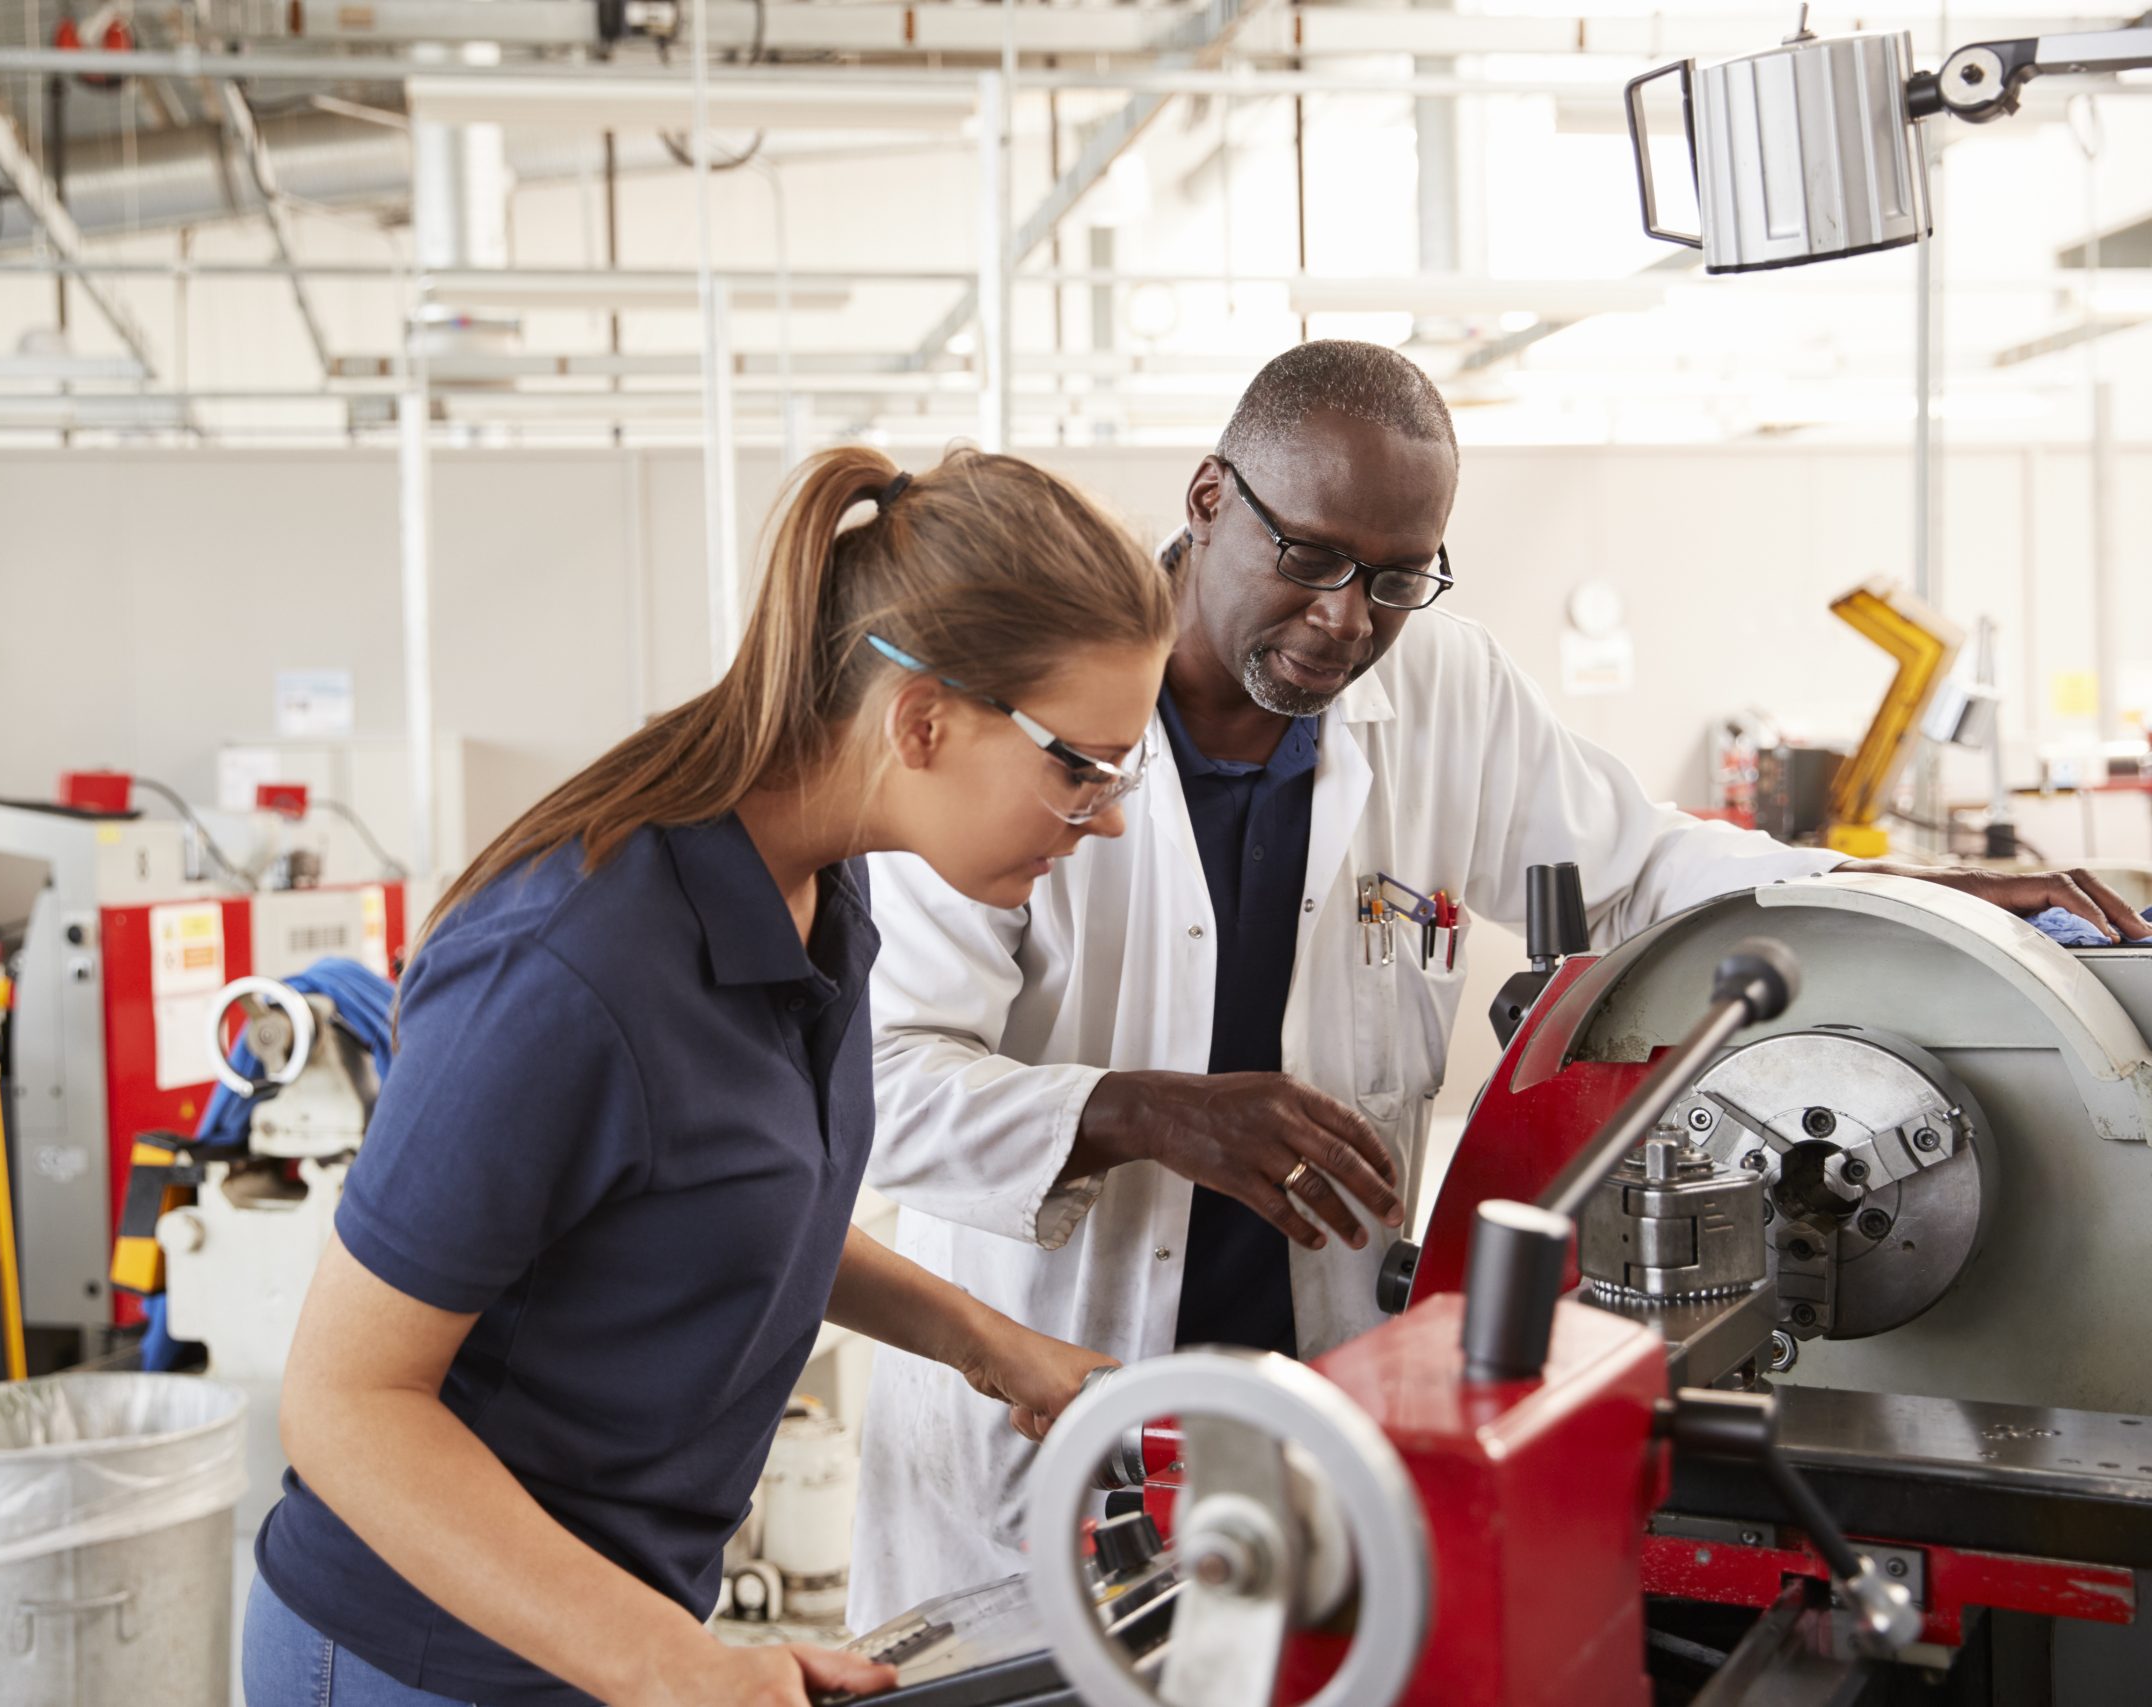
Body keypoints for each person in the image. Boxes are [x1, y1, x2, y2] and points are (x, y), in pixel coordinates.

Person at [847, 340, 2152, 1626]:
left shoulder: (1444, 688)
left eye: (1399, 576)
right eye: (1308, 556)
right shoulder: (1025, 723)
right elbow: (879, 1084)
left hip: (1317, 1416)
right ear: (1208, 498)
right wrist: (1141, 1109)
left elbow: (1649, 869)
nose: (1348, 617)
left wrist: (1921, 896)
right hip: (1036, 1431)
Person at [244, 444, 1178, 1707]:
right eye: (1083, 766)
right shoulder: (566, 971)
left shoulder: (818, 896)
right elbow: (347, 1401)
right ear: (922, 721)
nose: (1109, 815)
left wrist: (991, 1345)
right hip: (427, 1658)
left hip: (607, 1630)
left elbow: (729, 1200)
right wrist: (666, 1663)